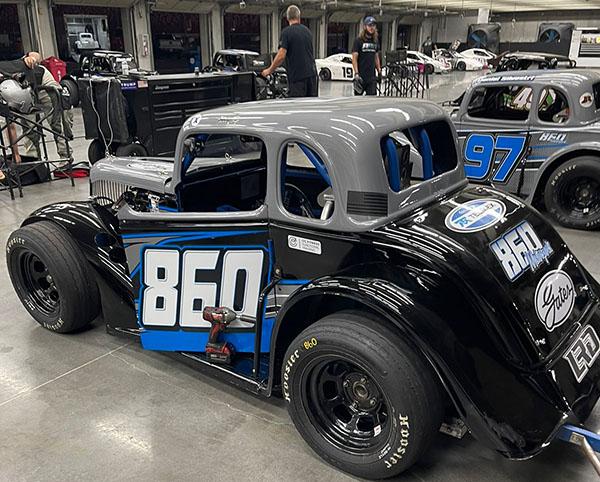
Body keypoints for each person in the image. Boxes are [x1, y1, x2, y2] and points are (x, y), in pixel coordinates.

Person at [261, 5, 318, 97]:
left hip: (297, 78)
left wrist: (269, 70)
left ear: (287, 18)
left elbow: (281, 56)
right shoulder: (307, 31)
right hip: (312, 76)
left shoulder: (286, 33)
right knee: (310, 107)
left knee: (297, 107)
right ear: (299, 17)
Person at [351, 16, 381, 96]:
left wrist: (379, 70)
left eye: (373, 25)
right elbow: (354, 58)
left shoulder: (375, 41)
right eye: (369, 25)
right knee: (358, 100)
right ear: (365, 27)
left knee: (371, 100)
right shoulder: (358, 41)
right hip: (361, 76)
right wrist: (356, 73)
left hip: (371, 77)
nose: (372, 27)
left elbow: (376, 57)